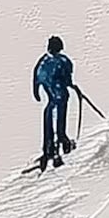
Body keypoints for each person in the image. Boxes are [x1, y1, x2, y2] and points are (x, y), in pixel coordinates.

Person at [33, 35, 75, 169]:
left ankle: (49, 149)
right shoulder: (63, 61)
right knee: (59, 124)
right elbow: (67, 79)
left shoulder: (42, 62)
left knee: (49, 124)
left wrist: (37, 92)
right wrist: (70, 84)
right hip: (60, 98)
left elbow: (37, 80)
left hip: (50, 102)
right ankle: (58, 153)